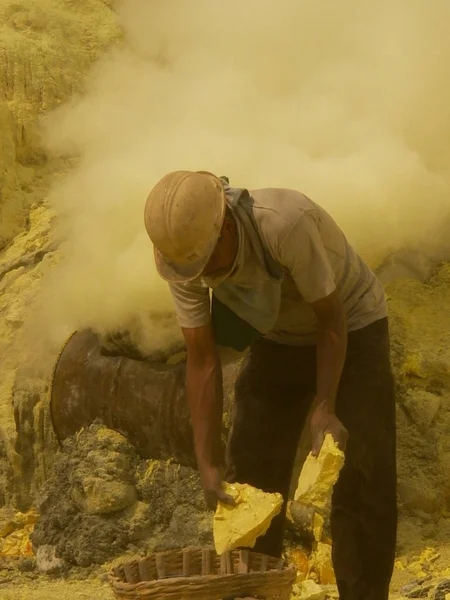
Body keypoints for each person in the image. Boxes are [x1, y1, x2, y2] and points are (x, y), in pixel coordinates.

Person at [144, 170, 397, 600]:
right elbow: (202, 359)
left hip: (350, 324)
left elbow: (331, 319)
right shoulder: (183, 257)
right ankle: (256, 591)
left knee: (359, 468)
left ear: (225, 225)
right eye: (194, 270)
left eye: (208, 263)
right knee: (250, 473)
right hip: (278, 333)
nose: (203, 276)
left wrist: (325, 405)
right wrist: (207, 461)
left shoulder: (283, 223)